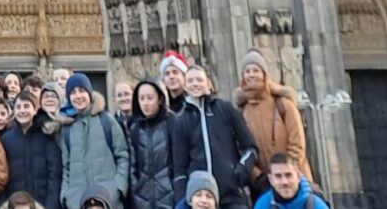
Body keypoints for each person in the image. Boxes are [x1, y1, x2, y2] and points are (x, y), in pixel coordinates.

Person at [171, 66, 257, 209]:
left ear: (208, 83)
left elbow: (251, 148)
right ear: (185, 85)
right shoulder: (181, 120)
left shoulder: (225, 109)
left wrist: (239, 172)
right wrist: (183, 198)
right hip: (201, 199)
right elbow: (179, 167)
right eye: (190, 80)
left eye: (199, 79)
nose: (195, 84)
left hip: (231, 194)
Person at [234, 51, 311, 196]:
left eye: (256, 70)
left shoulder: (283, 104)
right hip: (262, 186)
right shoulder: (241, 111)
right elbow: (240, 149)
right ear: (242, 77)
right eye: (247, 71)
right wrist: (258, 177)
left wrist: (285, 173)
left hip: (294, 180)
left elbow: (297, 143)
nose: (251, 75)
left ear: (264, 75)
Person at [57, 73, 128, 209]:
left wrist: (118, 188)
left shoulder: (106, 121)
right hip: (77, 201)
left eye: (82, 91)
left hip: (108, 199)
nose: (78, 96)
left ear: (89, 93)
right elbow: (66, 167)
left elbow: (122, 156)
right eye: (73, 92)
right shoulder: (67, 128)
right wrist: (66, 195)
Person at [0, 93, 60, 209]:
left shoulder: (47, 136)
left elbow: (54, 173)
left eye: (26, 106)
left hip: (42, 202)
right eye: (18, 107)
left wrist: (51, 205)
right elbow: (1, 176)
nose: (22, 111)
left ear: (35, 110)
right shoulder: (6, 139)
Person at [127, 80, 174, 209]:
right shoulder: (134, 128)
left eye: (150, 98)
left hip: (169, 196)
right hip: (141, 198)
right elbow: (131, 166)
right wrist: (135, 188)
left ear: (159, 99)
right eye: (141, 98)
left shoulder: (172, 122)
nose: (145, 103)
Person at [252, 154, 329, 209]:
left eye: (288, 175)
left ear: (298, 176)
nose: (284, 182)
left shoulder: (315, 204)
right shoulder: (263, 204)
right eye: (278, 176)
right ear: (271, 180)